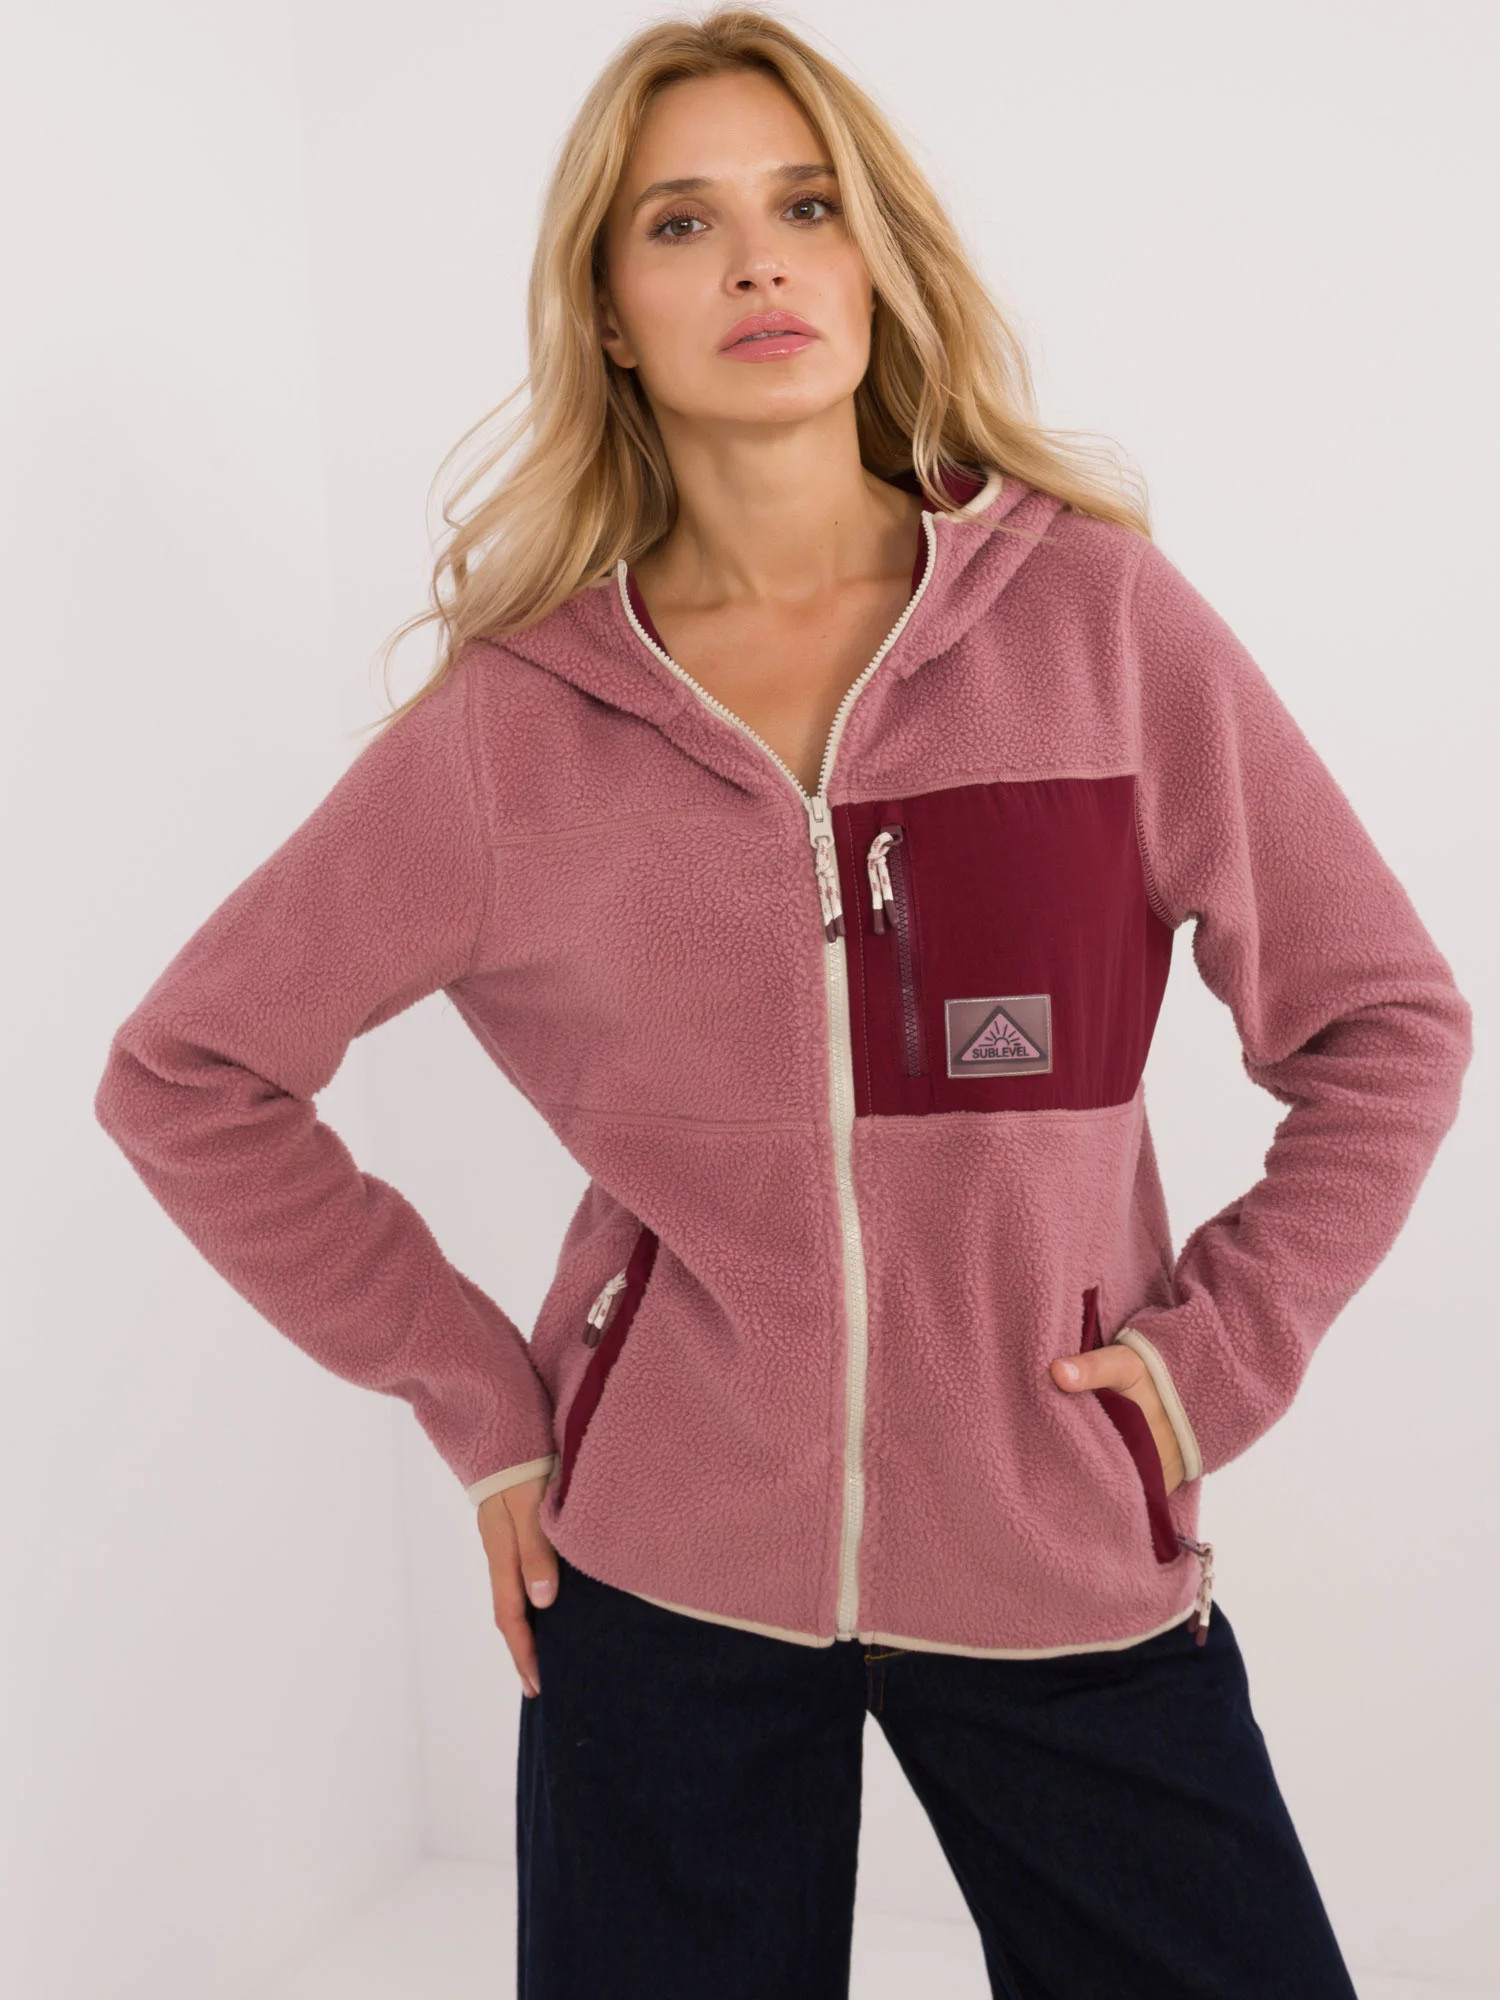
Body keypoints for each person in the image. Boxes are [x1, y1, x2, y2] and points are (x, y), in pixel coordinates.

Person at [93, 10, 1472, 1997]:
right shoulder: (518, 723)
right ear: (611, 310)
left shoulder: (1099, 629)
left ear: (874, 257)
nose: (757, 261)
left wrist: (1207, 1369)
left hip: (1060, 1539)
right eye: (684, 222)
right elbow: (188, 1074)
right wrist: (487, 1405)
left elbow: (1386, 1023)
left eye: (806, 206)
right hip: (661, 1569)